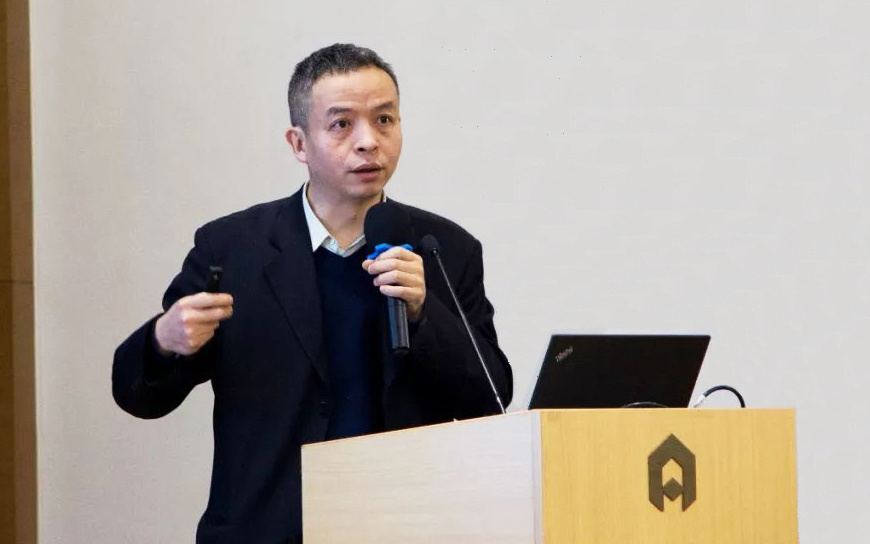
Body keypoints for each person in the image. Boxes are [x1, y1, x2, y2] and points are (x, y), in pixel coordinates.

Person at [112, 43, 512, 544]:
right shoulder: (233, 249)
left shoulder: (444, 248)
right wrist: (164, 340)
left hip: (406, 525)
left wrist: (423, 312)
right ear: (299, 143)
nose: (368, 142)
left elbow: (490, 399)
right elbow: (139, 396)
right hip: (270, 528)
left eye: (384, 120)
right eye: (342, 124)